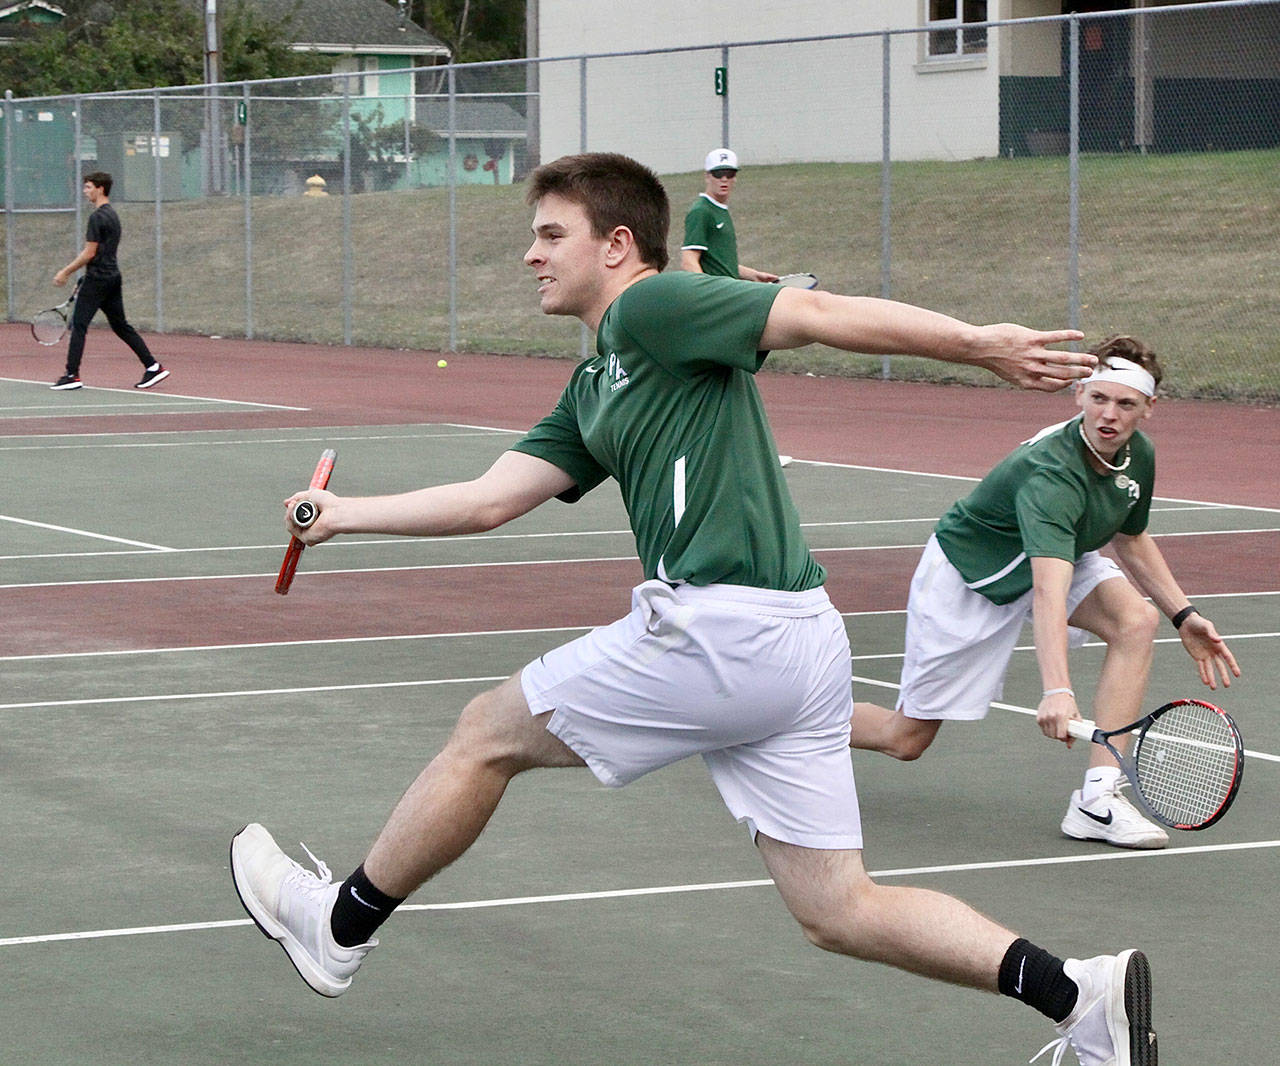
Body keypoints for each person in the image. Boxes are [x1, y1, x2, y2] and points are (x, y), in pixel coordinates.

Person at [231, 153, 1156, 1065]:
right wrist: (344, 517)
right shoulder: (599, 383)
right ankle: (1081, 997)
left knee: (486, 733)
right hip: (797, 643)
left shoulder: (654, 305)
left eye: (553, 235)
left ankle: (336, 926)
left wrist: (976, 343)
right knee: (839, 909)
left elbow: (817, 313)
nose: (532, 255)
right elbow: (487, 499)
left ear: (618, 244)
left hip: (725, 629)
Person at [848, 335, 1239, 851]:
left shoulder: (1137, 455)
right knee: (906, 739)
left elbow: (1130, 536)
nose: (1109, 414)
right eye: (1098, 398)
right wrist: (1057, 689)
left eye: (1124, 404)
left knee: (1135, 621)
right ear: (1079, 394)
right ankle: (789, 718)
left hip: (1056, 557)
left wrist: (1182, 614)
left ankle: (1098, 801)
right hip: (971, 578)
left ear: (1148, 409)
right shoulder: (1052, 475)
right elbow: (1047, 593)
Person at [50, 172, 169, 391]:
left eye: (88, 187)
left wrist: (65, 272)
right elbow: (103, 252)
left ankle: (72, 375)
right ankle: (153, 367)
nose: (85, 191)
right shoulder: (112, 215)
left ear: (100, 189)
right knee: (121, 326)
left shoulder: (97, 217)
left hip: (99, 279)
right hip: (111, 278)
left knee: (79, 325)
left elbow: (89, 253)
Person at [680, 148, 778, 283]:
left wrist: (754, 275)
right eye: (718, 174)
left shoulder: (720, 210)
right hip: (717, 296)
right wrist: (706, 290)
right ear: (707, 176)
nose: (724, 179)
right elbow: (688, 261)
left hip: (728, 291)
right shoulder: (701, 211)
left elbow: (722, 264)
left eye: (729, 174)